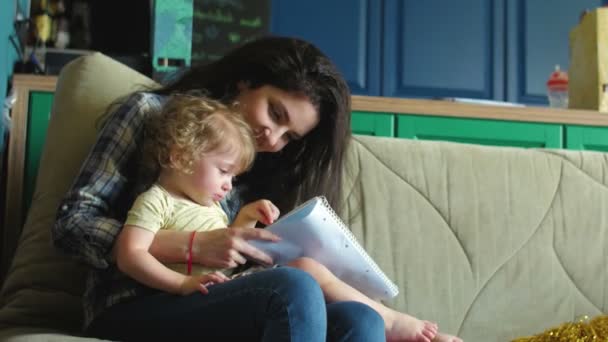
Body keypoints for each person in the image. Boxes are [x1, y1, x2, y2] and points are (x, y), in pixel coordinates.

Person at [52, 36, 462, 342]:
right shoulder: (151, 117)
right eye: (275, 113)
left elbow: (243, 275)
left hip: (220, 302)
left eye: (289, 136)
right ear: (245, 82)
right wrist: (191, 245)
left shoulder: (262, 171)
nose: (273, 138)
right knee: (294, 287)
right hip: (132, 304)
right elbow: (73, 224)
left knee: (361, 320)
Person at [116, 94, 444, 342]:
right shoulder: (157, 200)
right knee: (296, 281)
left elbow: (222, 268)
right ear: (179, 156)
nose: (229, 185)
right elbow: (130, 255)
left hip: (210, 299)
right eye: (224, 171)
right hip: (161, 302)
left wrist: (243, 224)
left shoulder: (212, 208)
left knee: (361, 319)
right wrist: (183, 282)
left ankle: (382, 320)